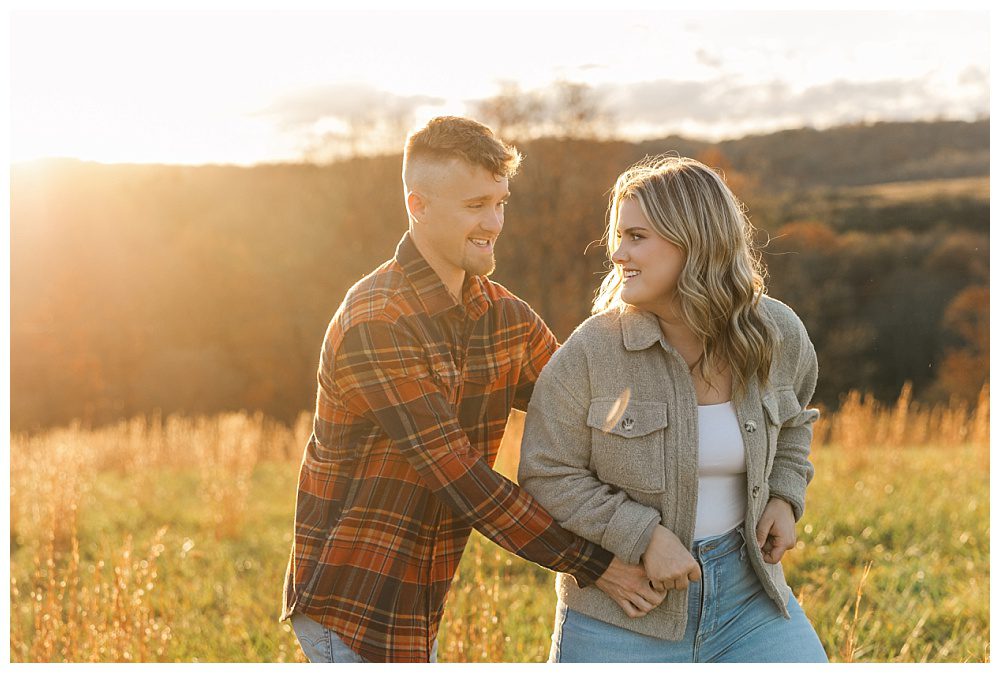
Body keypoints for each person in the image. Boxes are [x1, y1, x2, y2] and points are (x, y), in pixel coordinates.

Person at [280, 116, 666, 663]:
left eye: (501, 202)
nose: (494, 222)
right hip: (354, 596)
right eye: (475, 206)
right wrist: (596, 563)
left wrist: (671, 351)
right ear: (418, 206)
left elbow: (589, 407)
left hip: (423, 595)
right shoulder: (377, 320)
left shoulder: (503, 315)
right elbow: (459, 477)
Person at [518, 155, 829, 663]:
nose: (617, 254)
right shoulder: (592, 351)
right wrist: (641, 536)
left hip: (748, 598)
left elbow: (795, 419)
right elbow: (546, 473)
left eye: (636, 237)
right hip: (624, 609)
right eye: (619, 236)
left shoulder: (775, 332)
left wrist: (785, 495)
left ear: (695, 240)